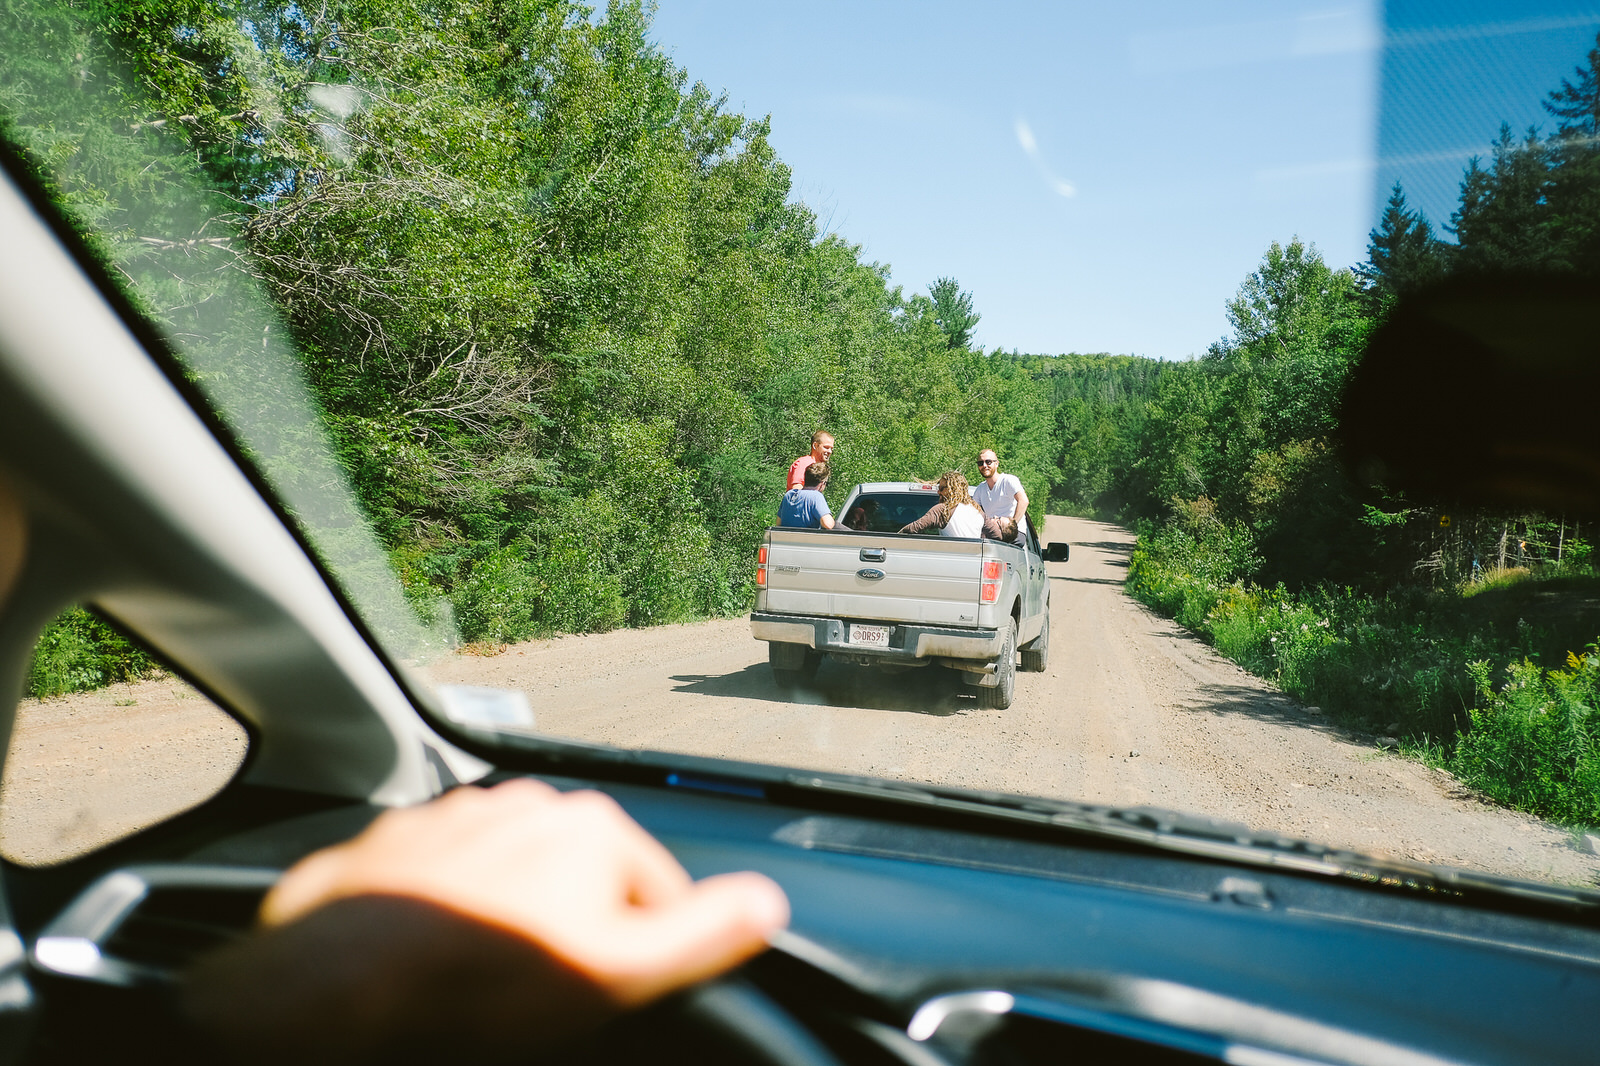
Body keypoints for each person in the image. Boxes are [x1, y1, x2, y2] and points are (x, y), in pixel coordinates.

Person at [898, 471, 986, 538]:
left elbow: (914, 528)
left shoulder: (943, 509)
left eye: (941, 488)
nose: (938, 492)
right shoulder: (978, 511)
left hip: (951, 558)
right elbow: (996, 534)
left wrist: (892, 539)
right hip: (975, 559)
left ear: (951, 489)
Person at [973, 449, 1028, 542]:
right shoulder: (980, 489)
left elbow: (1023, 501)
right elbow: (972, 512)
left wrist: (1012, 527)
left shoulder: (1008, 481)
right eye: (980, 463)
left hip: (1014, 535)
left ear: (996, 464)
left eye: (988, 462)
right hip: (992, 534)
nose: (984, 465)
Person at [778, 461, 834, 529]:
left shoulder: (789, 495)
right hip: (806, 539)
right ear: (822, 484)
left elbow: (778, 522)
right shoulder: (816, 496)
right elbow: (828, 524)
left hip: (784, 538)